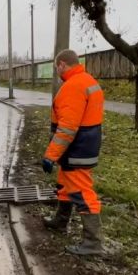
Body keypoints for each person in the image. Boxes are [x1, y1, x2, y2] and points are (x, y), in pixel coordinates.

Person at [42, 49, 105, 255]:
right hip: (81, 147)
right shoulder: (87, 81)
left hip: (76, 149)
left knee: (81, 192)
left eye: (56, 67)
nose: (57, 71)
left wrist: (50, 156)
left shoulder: (73, 86)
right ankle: (60, 222)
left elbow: (67, 128)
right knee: (64, 185)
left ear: (62, 64)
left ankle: (93, 243)